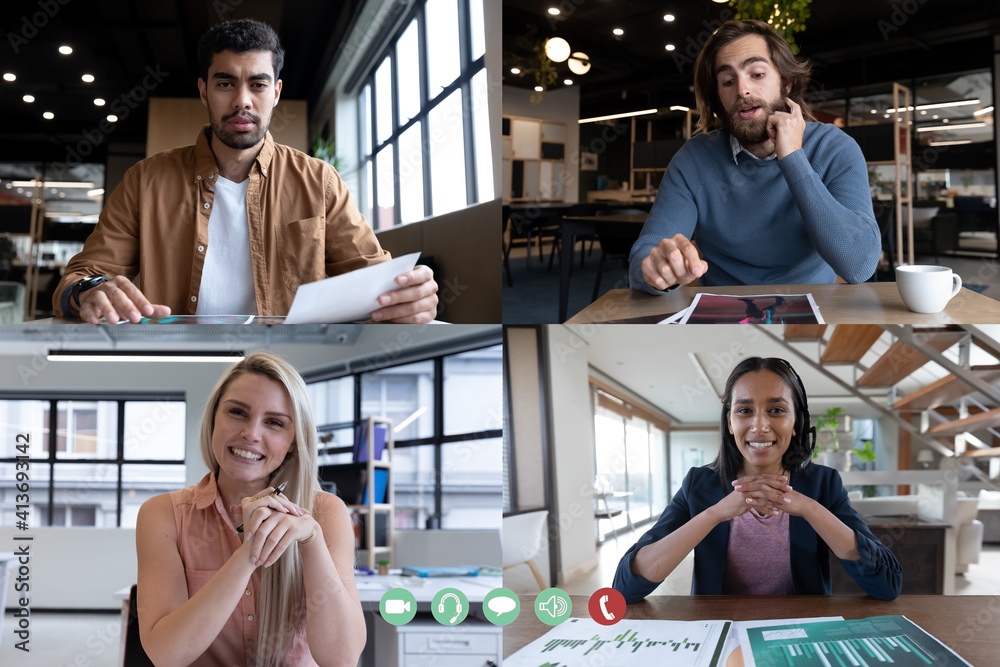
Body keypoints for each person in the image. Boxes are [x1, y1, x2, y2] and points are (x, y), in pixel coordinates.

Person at [54, 18, 438, 324]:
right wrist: (88, 291)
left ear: (276, 92)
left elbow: (373, 279)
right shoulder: (145, 180)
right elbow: (79, 276)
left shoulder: (319, 181)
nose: (242, 101)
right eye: (226, 83)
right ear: (204, 91)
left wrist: (407, 298)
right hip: (176, 362)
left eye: (258, 84)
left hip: (289, 366)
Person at [135, 352, 365, 666]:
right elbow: (166, 655)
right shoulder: (163, 514)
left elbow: (342, 659)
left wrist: (311, 542)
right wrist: (249, 554)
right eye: (237, 413)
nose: (251, 433)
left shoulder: (327, 513)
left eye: (274, 423)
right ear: (214, 417)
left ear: (294, 441)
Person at [612, 356, 901, 603]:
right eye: (744, 411)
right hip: (721, 634)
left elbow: (887, 585)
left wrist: (810, 509)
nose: (760, 426)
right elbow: (624, 589)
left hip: (798, 634)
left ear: (796, 421)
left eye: (776, 410)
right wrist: (714, 514)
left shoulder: (823, 484)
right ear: (729, 422)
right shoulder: (698, 484)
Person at [630, 20, 881, 293]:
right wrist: (656, 268)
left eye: (757, 74)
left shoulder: (834, 148)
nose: (742, 90)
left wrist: (793, 158)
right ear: (718, 99)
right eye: (728, 81)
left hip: (810, 317)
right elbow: (645, 254)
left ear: (786, 84)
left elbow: (859, 265)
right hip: (723, 317)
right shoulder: (693, 158)